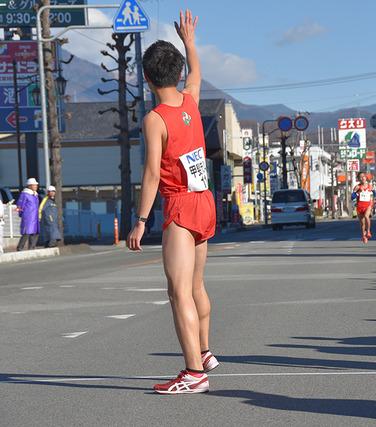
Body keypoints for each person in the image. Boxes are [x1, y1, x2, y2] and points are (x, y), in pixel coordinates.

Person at [127, 10, 218, 395]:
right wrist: (190, 41)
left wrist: (141, 219)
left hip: (180, 205)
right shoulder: (191, 101)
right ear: (177, 73)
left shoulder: (155, 118)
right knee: (195, 285)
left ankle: (194, 373)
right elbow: (196, 74)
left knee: (177, 291)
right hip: (205, 201)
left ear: (147, 79)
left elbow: (151, 173)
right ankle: (205, 351)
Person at [16, 178, 40, 251]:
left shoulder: (35, 195)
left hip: (35, 216)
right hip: (28, 217)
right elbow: (20, 205)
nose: (36, 186)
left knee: (35, 232)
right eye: (34, 185)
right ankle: (20, 247)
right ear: (29, 186)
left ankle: (32, 247)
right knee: (26, 232)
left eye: (36, 185)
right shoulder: (25, 194)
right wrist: (23, 215)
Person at [352, 172, 376, 243]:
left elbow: (375, 193)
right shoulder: (357, 187)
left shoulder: (370, 186)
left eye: (363, 176)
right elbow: (352, 197)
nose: (362, 178)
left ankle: (368, 231)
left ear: (366, 177)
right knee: (362, 224)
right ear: (359, 179)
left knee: (366, 216)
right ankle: (363, 236)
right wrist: (357, 193)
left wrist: (375, 196)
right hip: (360, 205)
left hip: (368, 204)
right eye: (360, 177)